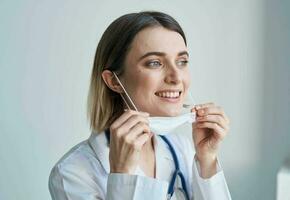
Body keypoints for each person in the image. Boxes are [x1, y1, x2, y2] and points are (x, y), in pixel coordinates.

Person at [48, 11, 232, 200]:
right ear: (114, 81)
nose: (176, 77)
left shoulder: (183, 149)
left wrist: (207, 160)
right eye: (154, 63)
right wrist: (123, 176)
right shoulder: (71, 174)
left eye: (182, 61)